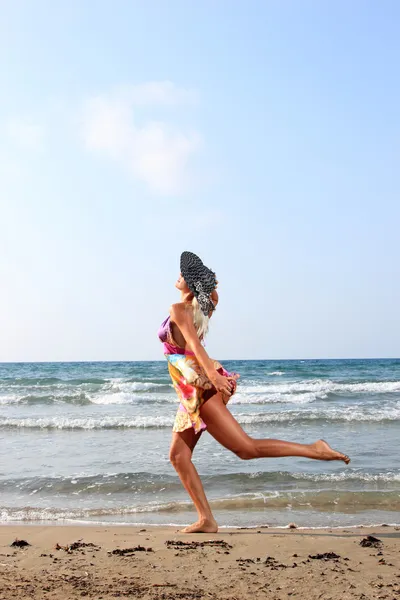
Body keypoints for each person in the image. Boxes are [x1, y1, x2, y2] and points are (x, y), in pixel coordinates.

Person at [158, 251, 350, 533]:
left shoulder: (180, 309)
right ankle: (206, 519)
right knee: (178, 455)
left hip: (202, 388)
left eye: (182, 274)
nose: (177, 277)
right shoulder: (202, 306)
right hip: (192, 390)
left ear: (190, 281)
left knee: (246, 449)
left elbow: (195, 348)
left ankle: (315, 450)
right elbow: (207, 309)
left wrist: (214, 377)